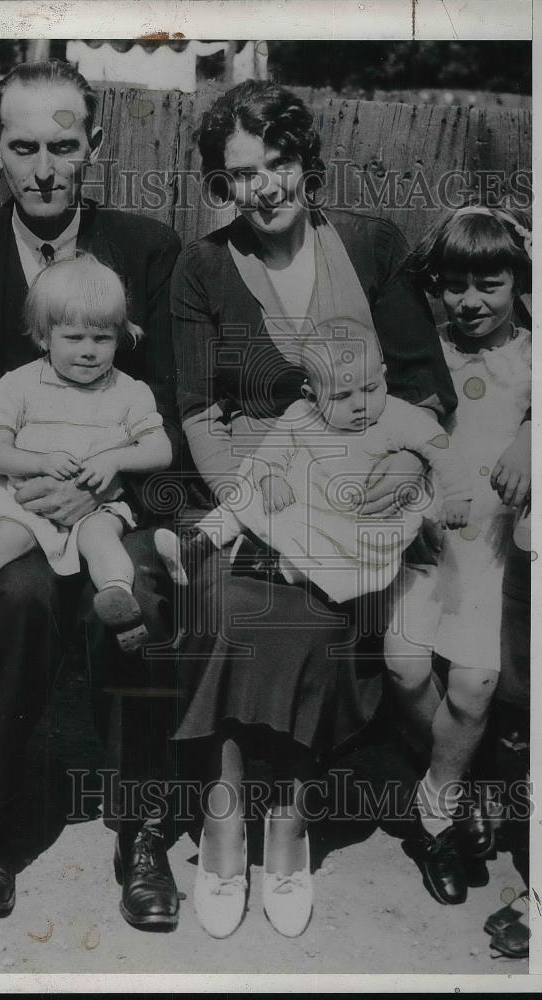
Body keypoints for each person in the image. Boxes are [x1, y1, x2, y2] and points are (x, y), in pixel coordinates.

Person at [168, 80, 458, 939]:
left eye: (278, 162)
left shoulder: (370, 245)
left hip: (362, 493)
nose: (263, 188)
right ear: (221, 186)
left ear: (304, 161)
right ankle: (226, 826)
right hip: (250, 491)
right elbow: (195, 412)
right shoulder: (202, 265)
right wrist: (248, 508)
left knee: (310, 611)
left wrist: (406, 461)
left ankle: (285, 824)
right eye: (239, 174)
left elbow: (425, 390)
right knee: (231, 601)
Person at [0, 60, 182, 924]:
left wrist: (106, 491)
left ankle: (144, 830)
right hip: (11, 507)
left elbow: (176, 415)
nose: (44, 170)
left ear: (94, 146)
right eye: (25, 147)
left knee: (141, 594)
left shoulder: (147, 249)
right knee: (19, 594)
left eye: (64, 146)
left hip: (117, 503)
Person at [0, 254, 172, 671]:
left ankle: (119, 601)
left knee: (102, 537)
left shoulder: (129, 391)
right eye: (75, 337)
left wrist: (116, 458)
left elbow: (160, 450)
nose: (88, 351)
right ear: (45, 337)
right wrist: (40, 460)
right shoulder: (20, 385)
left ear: (119, 337)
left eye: (102, 339)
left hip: (95, 506)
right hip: (26, 507)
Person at [384, 205, 532, 906]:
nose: (469, 300)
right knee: (404, 664)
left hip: (491, 554)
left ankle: (435, 813)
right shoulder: (425, 349)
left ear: (518, 282)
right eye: (453, 284)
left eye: (490, 284)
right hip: (424, 542)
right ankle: (452, 780)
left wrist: (533, 434)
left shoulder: (530, 356)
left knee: (473, 687)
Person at [157, 322, 472, 606]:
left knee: (337, 564)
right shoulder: (301, 414)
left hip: (358, 522)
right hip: (309, 500)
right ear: (311, 395)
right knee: (247, 490)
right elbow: (271, 451)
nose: (360, 404)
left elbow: (438, 443)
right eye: (341, 396)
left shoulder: (397, 416)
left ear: (383, 377)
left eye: (370, 388)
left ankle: (269, 567)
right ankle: (197, 544)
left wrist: (458, 494)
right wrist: (271, 478)